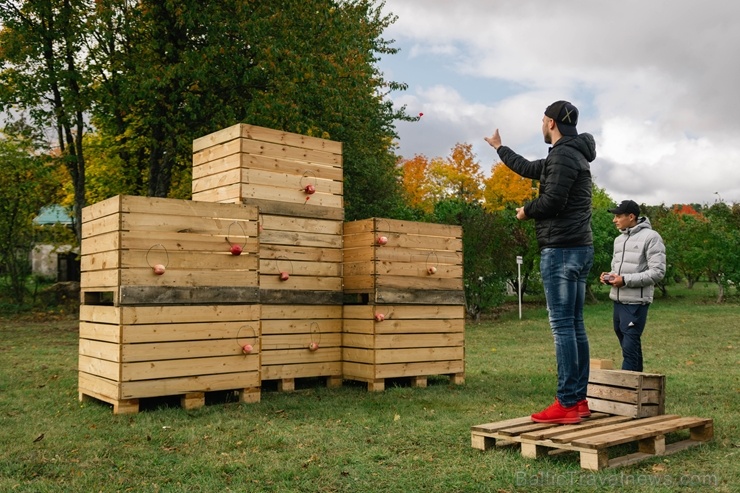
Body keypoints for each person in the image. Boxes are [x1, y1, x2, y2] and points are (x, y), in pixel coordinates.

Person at [485, 100, 596, 424]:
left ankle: (565, 403)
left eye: (542, 121)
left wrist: (527, 211)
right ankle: (578, 401)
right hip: (576, 249)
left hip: (561, 250)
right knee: (574, 325)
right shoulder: (569, 154)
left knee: (563, 326)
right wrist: (500, 148)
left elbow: (553, 201)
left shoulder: (563, 155)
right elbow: (531, 169)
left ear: (549, 122)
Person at [600, 199, 666, 372]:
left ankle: (625, 391)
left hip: (636, 303)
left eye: (618, 216)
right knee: (630, 347)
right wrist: (610, 276)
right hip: (618, 301)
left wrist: (625, 280)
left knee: (629, 349)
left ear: (631, 216)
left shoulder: (652, 237)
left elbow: (657, 272)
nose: (614, 220)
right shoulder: (618, 240)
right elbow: (619, 269)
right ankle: (640, 389)